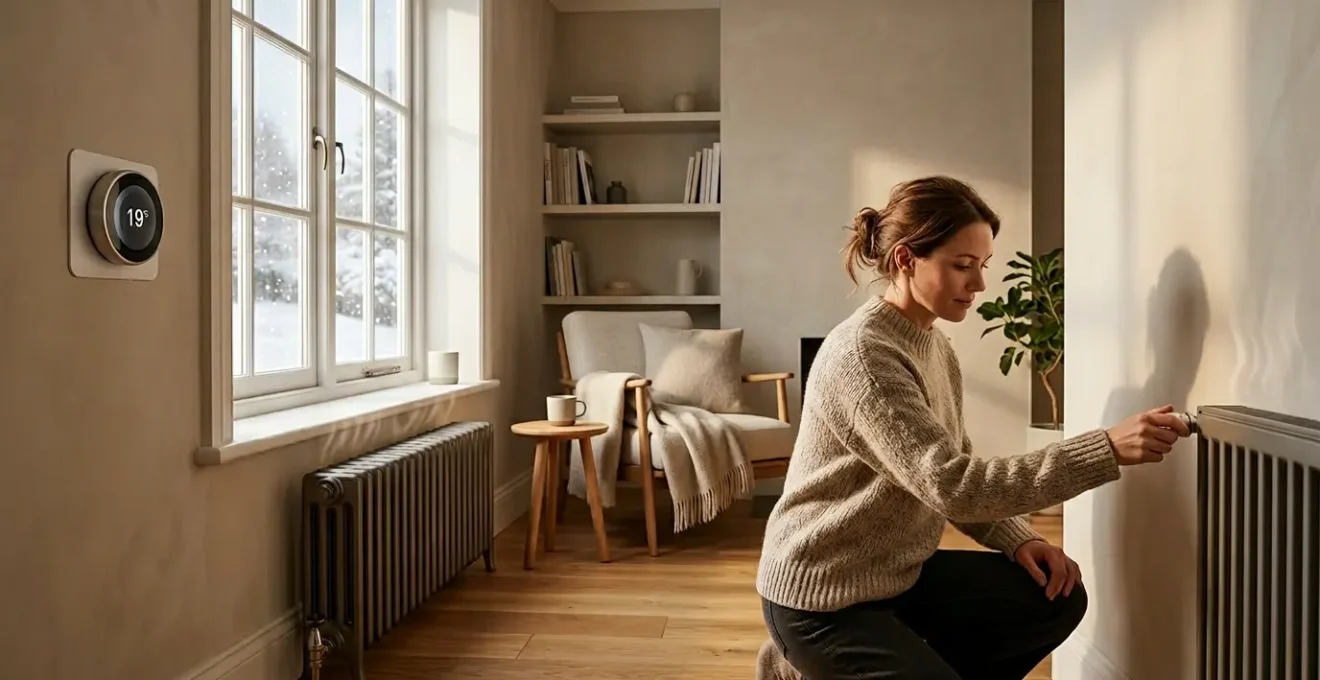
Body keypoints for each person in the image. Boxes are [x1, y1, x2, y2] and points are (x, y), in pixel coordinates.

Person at [755, 176, 1192, 679]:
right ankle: (801, 662)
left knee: (1053, 598)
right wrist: (1105, 449)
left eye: (982, 266)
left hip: (896, 578)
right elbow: (955, 487)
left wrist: (1017, 538)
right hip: (821, 600)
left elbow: (954, 464)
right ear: (905, 260)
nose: (980, 285)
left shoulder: (934, 346)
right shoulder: (865, 357)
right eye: (962, 266)